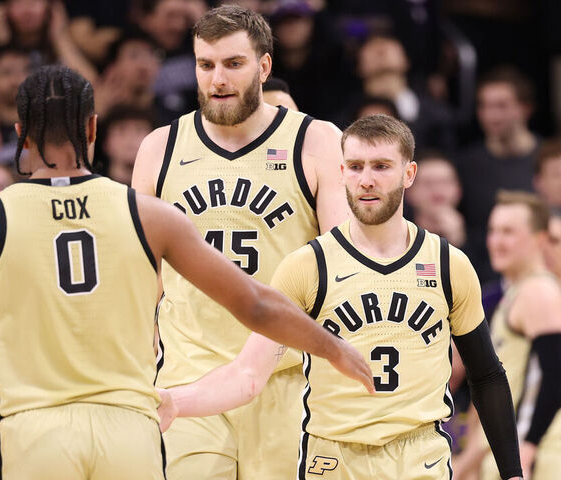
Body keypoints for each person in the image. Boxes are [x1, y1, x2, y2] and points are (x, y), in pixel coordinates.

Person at [0, 65, 373, 480]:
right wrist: (333, 348)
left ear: (19, 133)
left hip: (36, 430)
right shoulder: (148, 215)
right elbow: (255, 302)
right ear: (94, 128)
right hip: (129, 430)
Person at [161, 115, 523, 480]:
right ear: (341, 172)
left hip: (419, 455)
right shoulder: (306, 266)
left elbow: (487, 375)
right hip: (333, 459)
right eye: (355, 167)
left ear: (409, 174)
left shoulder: (448, 264)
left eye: (381, 166)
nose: (366, 180)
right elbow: (248, 375)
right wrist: (174, 401)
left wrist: (512, 473)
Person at [132, 5, 348, 479]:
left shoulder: (316, 140)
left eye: (233, 64)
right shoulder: (158, 148)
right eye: (205, 65)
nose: (218, 80)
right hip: (187, 378)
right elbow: (139, 277)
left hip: (287, 379)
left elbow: (341, 266)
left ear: (264, 66)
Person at [454, 191, 561, 480]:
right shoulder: (515, 294)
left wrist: (527, 449)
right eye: (492, 230)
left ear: (539, 239)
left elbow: (555, 376)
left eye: (509, 232)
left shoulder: (539, 291)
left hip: (538, 462)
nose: (496, 241)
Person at [457, 66, 539, 284]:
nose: (492, 115)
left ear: (525, 108)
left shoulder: (548, 159)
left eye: (501, 106)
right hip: (484, 279)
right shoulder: (466, 164)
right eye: (485, 106)